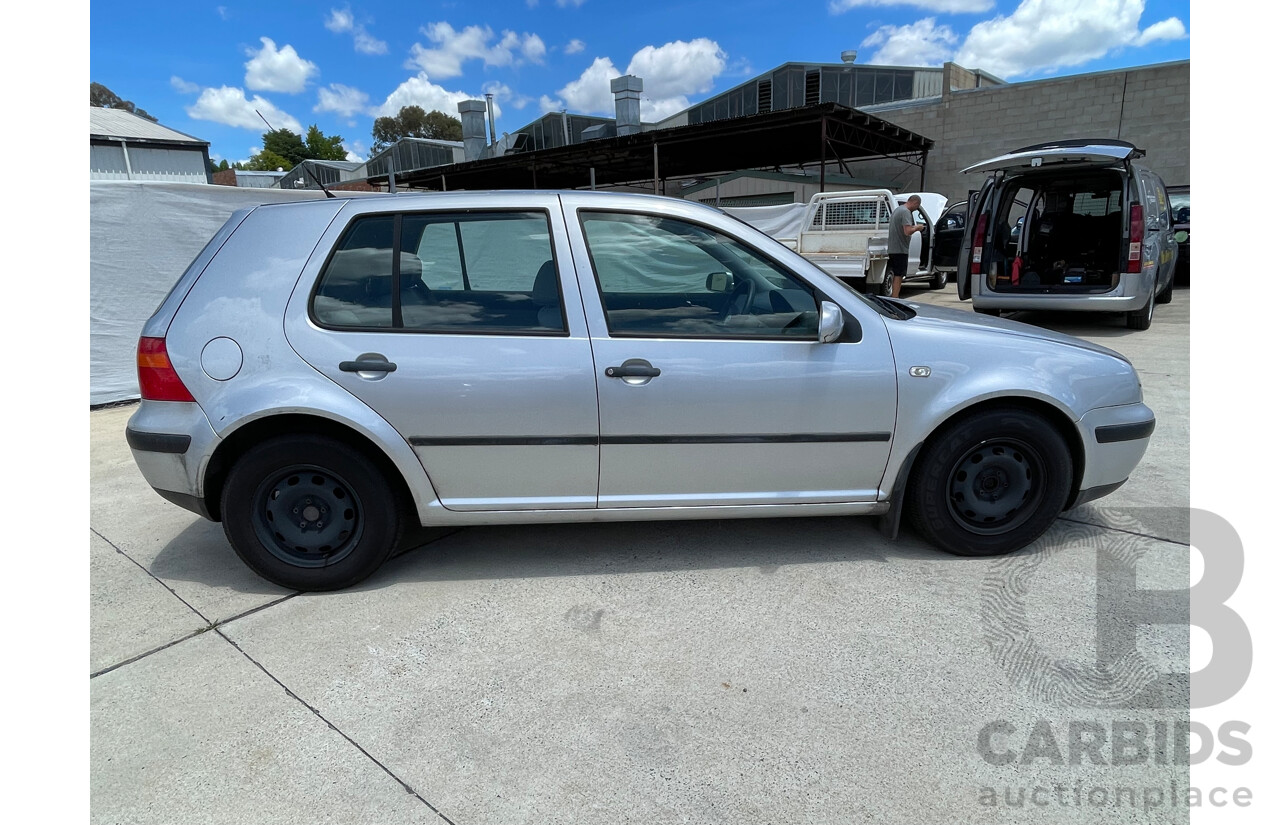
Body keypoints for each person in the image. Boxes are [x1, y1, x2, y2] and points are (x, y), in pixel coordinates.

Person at [887, 195, 925, 298]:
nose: (916, 209)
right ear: (915, 203)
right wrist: (918, 227)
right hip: (900, 249)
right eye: (917, 206)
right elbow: (907, 231)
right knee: (899, 275)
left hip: (893, 248)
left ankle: (895, 296)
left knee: (896, 273)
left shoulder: (898, 210)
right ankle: (895, 297)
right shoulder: (905, 212)